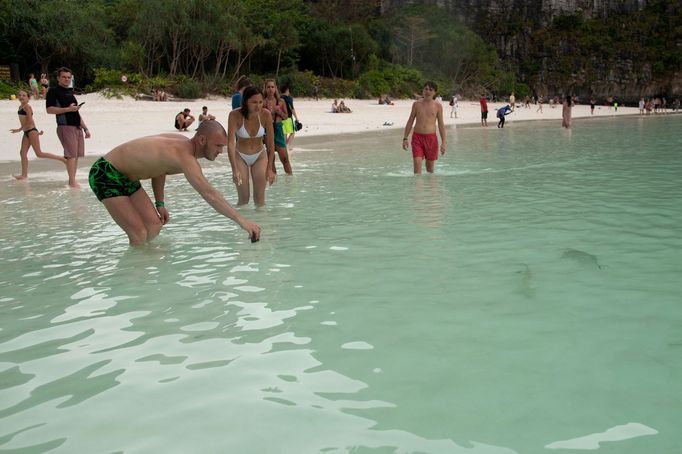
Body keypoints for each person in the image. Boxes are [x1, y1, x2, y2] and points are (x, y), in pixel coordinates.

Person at [88, 120, 260, 246]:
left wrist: (160, 202)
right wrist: (242, 221)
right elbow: (210, 194)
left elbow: (160, 168)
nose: (220, 152)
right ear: (201, 140)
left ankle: (142, 262)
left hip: (128, 178)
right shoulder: (186, 158)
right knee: (139, 233)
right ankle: (134, 281)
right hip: (105, 172)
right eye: (218, 146)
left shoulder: (180, 143)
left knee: (154, 226)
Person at [227, 86, 276, 207]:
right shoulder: (234, 115)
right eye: (254, 102)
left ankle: (262, 224)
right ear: (245, 102)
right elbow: (230, 143)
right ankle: (242, 224)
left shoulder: (266, 115)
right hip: (240, 156)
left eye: (260, 102)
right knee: (244, 199)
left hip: (259, 155)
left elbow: (271, 144)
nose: (258, 106)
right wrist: (234, 169)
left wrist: (270, 169)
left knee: (260, 200)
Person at [46, 67, 90, 188]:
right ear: (58, 78)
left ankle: (73, 180)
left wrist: (85, 128)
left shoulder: (70, 92)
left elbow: (76, 112)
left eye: (68, 77)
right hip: (65, 126)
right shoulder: (53, 91)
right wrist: (67, 109)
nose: (66, 79)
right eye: (64, 77)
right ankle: (72, 182)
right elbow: (49, 110)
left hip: (76, 127)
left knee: (75, 156)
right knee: (71, 155)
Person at [10, 90, 67, 180]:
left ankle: (62, 159)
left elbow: (30, 120)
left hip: (31, 131)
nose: (21, 97)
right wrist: (36, 132)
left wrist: (19, 129)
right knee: (22, 153)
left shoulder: (27, 107)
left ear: (28, 98)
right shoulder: (20, 107)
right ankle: (24, 175)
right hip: (28, 132)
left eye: (24, 95)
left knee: (39, 154)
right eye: (20, 95)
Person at [401, 81, 446, 174]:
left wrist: (444, 142)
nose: (427, 91)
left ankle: (429, 188)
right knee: (417, 169)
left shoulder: (438, 106)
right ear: (422, 90)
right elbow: (410, 121)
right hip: (417, 138)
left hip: (431, 139)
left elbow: (441, 125)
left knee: (430, 170)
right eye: (425, 89)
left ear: (435, 92)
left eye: (430, 89)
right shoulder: (416, 104)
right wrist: (405, 138)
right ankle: (417, 188)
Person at [263, 79, 292, 175]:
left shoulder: (281, 101)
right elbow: (260, 119)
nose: (271, 89)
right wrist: (271, 112)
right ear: (265, 89)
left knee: (284, 158)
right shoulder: (263, 102)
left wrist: (278, 111)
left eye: (272, 87)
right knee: (271, 159)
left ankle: (289, 180)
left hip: (278, 128)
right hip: (268, 130)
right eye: (268, 87)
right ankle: (274, 182)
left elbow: (286, 117)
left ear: (275, 88)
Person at [280, 84, 300, 149]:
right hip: (288, 118)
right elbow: (292, 108)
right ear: (287, 90)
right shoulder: (289, 98)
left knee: (284, 133)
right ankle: (288, 145)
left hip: (280, 118)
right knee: (292, 132)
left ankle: (285, 146)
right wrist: (296, 118)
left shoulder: (279, 98)